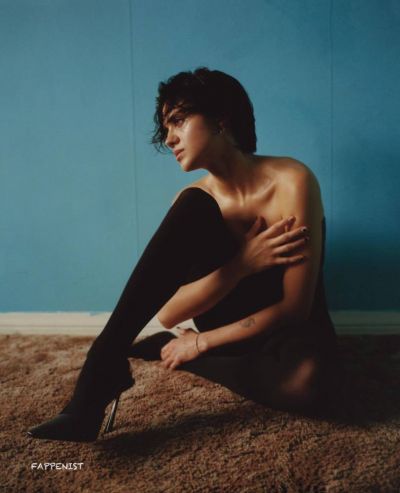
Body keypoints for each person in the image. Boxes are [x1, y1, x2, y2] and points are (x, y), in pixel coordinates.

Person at [27, 67, 343, 442]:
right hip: (231, 324)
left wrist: (199, 343)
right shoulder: (192, 205)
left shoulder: (292, 181)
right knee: (194, 202)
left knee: (310, 386)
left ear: (221, 119)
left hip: (287, 335)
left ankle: (194, 359)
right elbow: (169, 312)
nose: (169, 139)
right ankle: (101, 364)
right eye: (166, 128)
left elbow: (294, 310)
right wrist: (240, 266)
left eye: (178, 120)